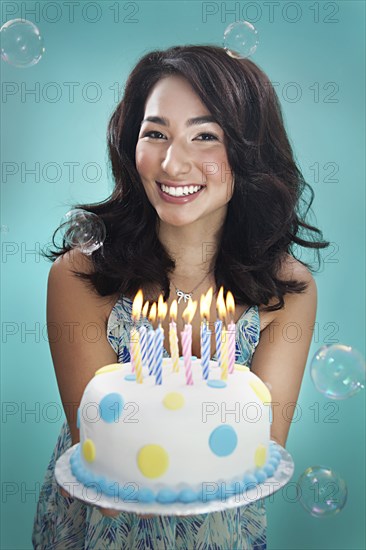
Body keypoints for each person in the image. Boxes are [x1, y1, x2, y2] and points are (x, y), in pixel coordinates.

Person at [32, 44, 329, 549]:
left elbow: (256, 455)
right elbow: (104, 465)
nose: (173, 163)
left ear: (249, 151)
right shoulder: (81, 275)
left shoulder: (286, 290)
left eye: (206, 136)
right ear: (132, 145)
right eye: (156, 134)